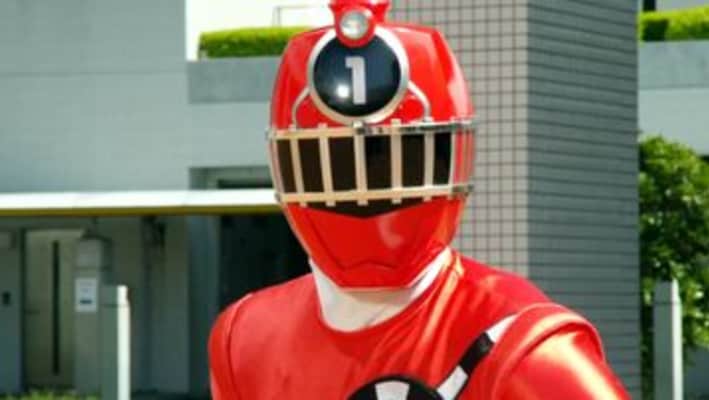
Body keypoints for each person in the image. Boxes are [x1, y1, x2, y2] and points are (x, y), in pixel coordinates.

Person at [209, 0, 631, 398]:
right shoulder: (242, 339)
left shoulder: (521, 343)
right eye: (335, 160)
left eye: (396, 159)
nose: (365, 182)